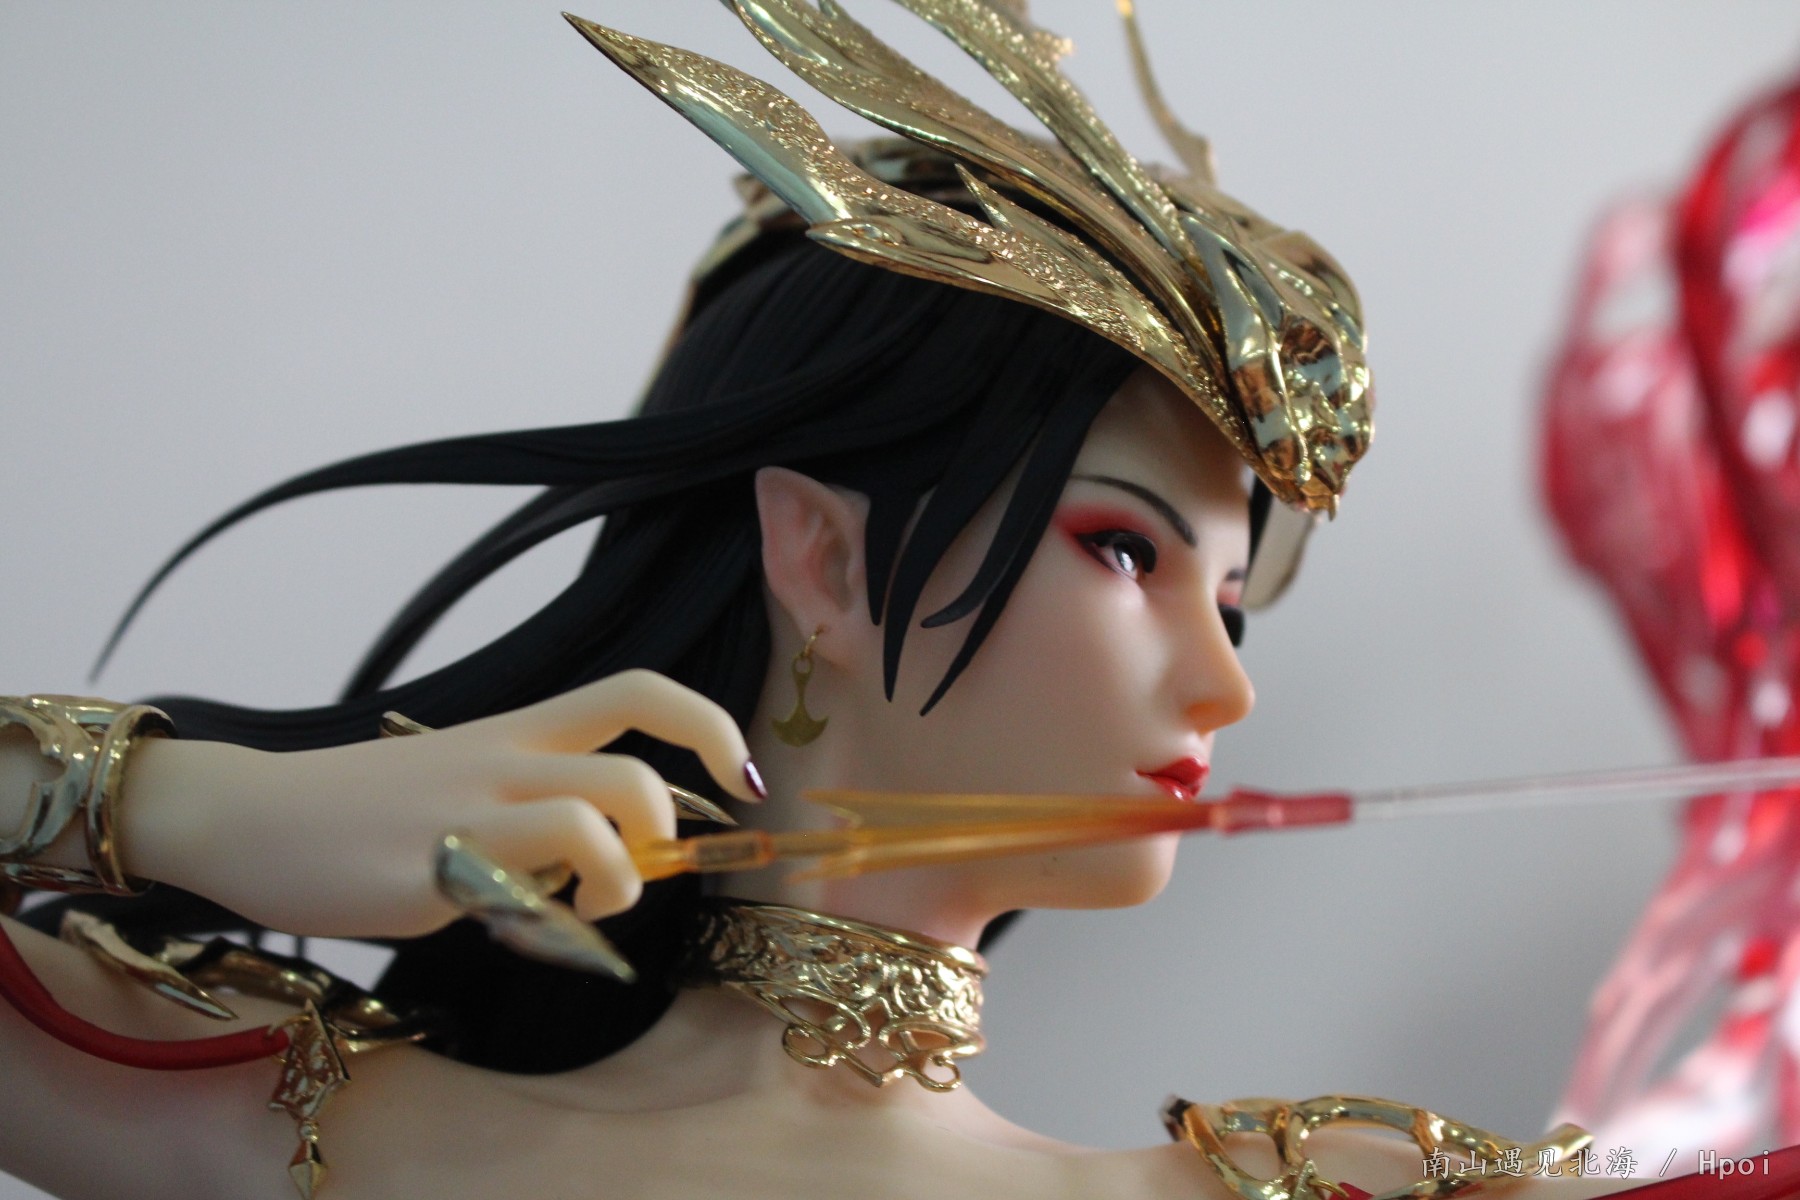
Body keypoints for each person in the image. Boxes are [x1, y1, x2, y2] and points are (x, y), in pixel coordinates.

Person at [0, 3, 1747, 1198]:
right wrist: (211, 808)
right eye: (1127, 552)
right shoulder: (316, 1122)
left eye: (1234, 601)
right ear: (823, 558)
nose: (1224, 686)